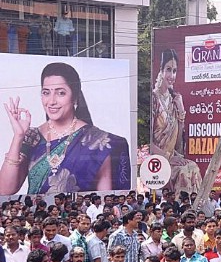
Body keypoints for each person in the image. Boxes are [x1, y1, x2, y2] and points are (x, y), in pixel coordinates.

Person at [1, 62, 131, 195]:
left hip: (78, 215)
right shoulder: (32, 137)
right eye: (46, 93)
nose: (51, 101)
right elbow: (5, 190)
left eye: (60, 93)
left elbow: (106, 201)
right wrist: (18, 136)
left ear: (74, 97)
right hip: (35, 215)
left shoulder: (100, 142)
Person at [151, 50, 202, 195]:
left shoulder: (174, 101)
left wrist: (181, 110)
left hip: (172, 156)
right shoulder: (153, 99)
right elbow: (147, 141)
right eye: (168, 70)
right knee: (183, 172)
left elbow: (178, 142)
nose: (172, 76)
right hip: (156, 159)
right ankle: (181, 208)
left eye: (174, 71)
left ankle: (196, 208)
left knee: (193, 167)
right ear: (160, 71)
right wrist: (168, 157)